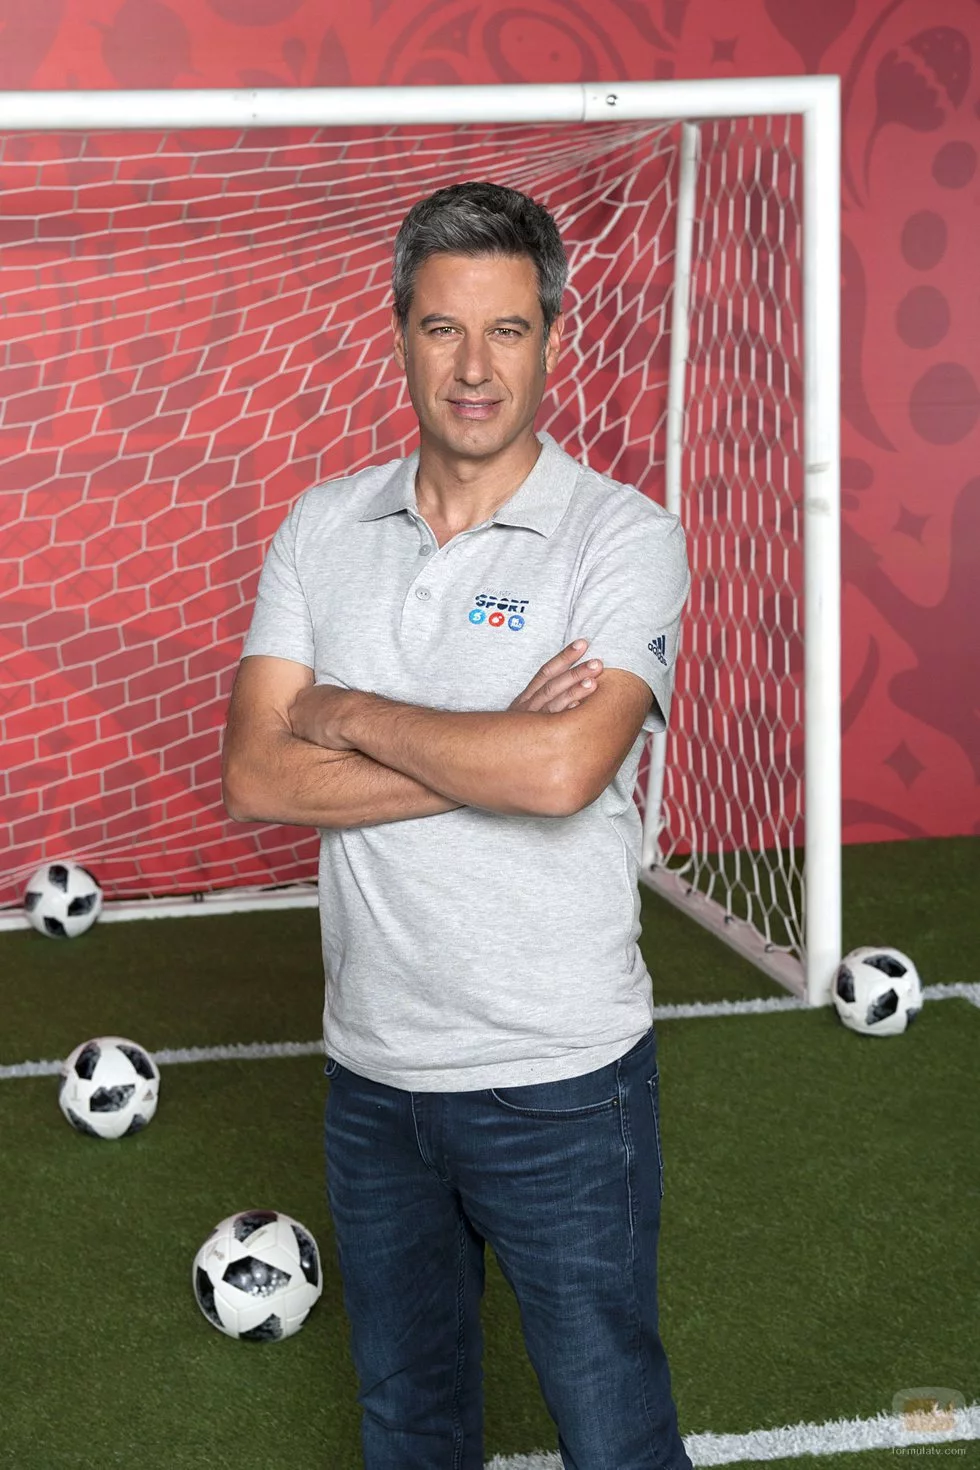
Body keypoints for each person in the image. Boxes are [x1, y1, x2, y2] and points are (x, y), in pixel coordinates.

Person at [222, 181, 693, 1470]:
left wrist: (347, 711)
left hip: (559, 1078)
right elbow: (257, 775)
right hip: (372, 1078)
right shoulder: (323, 525)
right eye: (443, 329)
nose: (474, 368)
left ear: (553, 339)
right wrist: (490, 747)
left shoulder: (623, 536)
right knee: (410, 1425)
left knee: (614, 1432)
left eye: (506, 330)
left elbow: (564, 772)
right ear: (399, 334)